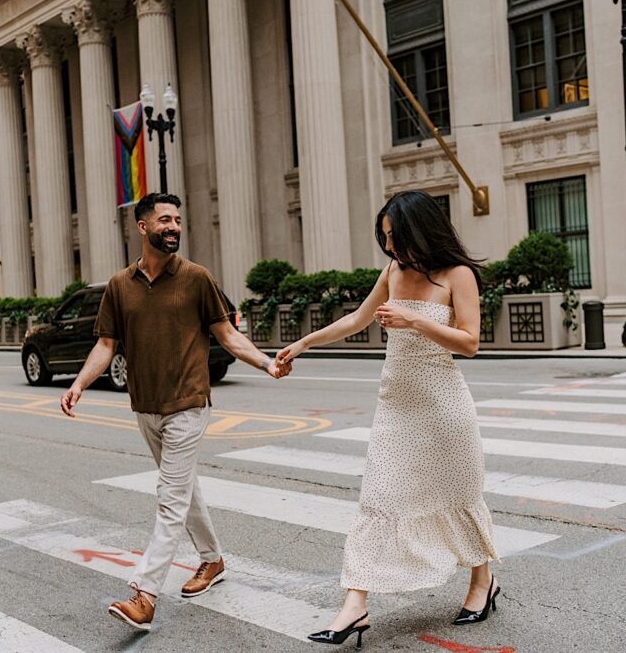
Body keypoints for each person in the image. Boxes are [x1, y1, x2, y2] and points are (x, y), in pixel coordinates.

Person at [277, 190, 500, 647]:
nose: (392, 248)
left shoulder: (457, 275)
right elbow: (356, 320)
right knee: (378, 499)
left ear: (421, 230)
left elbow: (470, 343)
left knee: (458, 493)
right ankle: (354, 605)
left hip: (443, 405)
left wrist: (415, 321)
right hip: (396, 404)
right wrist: (303, 343)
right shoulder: (393, 272)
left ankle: (482, 583)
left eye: (396, 237)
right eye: (386, 240)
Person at [61, 192, 292, 631]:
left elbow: (226, 334)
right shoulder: (119, 286)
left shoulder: (196, 278)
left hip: (188, 402)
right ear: (143, 227)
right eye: (165, 220)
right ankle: (213, 559)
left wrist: (266, 362)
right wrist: (78, 384)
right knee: (184, 490)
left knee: (169, 500)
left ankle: (145, 595)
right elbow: (106, 345)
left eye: (178, 221)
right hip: (146, 406)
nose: (174, 227)